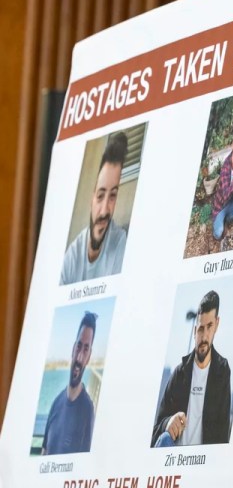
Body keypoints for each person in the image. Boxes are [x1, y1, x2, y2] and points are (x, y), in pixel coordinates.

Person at [152, 290, 231, 447]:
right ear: (195, 331)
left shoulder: (222, 371)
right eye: (201, 329)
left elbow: (222, 436)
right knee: (165, 439)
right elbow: (156, 431)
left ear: (217, 324)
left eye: (210, 327)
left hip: (202, 463)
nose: (205, 336)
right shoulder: (179, 373)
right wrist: (168, 423)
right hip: (173, 460)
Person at [60, 132, 129, 284]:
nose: (105, 210)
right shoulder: (72, 256)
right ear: (91, 199)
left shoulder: (120, 242)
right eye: (100, 196)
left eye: (112, 196)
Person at [42, 312, 97, 455]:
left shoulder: (88, 410)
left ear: (89, 356)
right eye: (79, 346)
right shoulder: (55, 404)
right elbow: (44, 452)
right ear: (73, 349)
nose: (79, 357)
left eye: (85, 349)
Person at [211, 125, 233, 242]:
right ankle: (218, 220)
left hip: (230, 202)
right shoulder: (226, 166)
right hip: (220, 206)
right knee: (218, 233)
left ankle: (227, 218)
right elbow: (225, 196)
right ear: (231, 144)